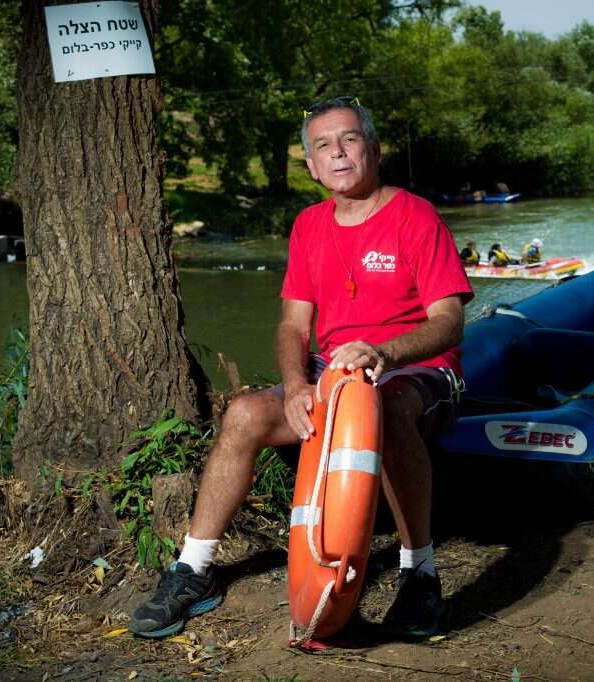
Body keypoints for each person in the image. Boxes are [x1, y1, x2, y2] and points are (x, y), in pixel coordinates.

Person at [128, 97, 473, 641]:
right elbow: (293, 326)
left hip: (415, 368)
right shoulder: (308, 225)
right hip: (331, 372)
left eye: (350, 139)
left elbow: (449, 323)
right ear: (311, 166)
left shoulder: (416, 216)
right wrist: (294, 385)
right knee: (244, 414)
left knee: (383, 409)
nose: (338, 153)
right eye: (323, 146)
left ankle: (420, 574)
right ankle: (194, 568)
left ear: (373, 149)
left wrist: (384, 354)